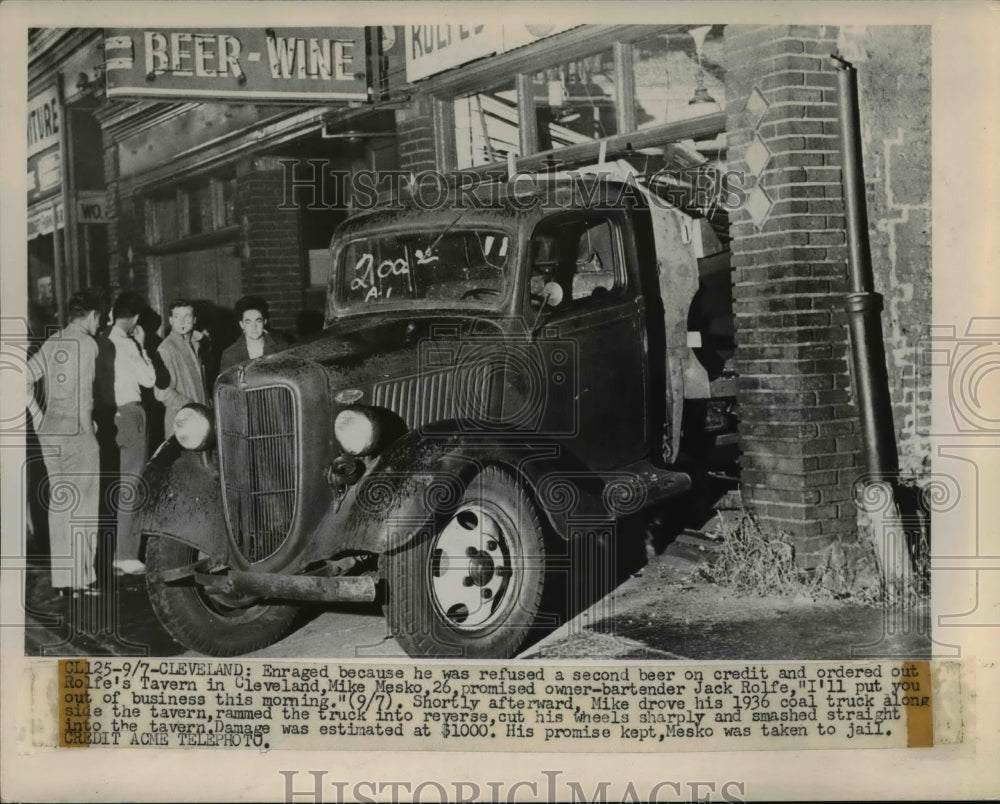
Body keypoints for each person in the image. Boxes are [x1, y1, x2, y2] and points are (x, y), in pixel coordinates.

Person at [25, 290, 103, 598]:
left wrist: (38, 417)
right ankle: (83, 580)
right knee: (84, 508)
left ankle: (63, 582)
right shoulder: (87, 344)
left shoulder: (53, 341)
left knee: (60, 506)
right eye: (101, 317)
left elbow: (24, 378)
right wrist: (88, 429)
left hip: (50, 431)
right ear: (93, 315)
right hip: (76, 433)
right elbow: (85, 395)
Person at [104, 291, 156, 575]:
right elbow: (149, 379)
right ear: (135, 318)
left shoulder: (103, 342)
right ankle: (126, 555)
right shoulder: (127, 344)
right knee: (133, 486)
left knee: (119, 484)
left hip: (111, 415)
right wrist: (143, 345)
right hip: (132, 413)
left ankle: (117, 552)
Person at [154, 299, 207, 440]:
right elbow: (162, 393)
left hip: (199, 421)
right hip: (181, 423)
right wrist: (190, 406)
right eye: (177, 317)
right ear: (170, 320)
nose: (182, 321)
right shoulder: (166, 349)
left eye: (187, 316)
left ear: (194, 319)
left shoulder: (194, 345)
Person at [220, 296, 288, 372]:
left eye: (258, 321)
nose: (254, 326)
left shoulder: (282, 348)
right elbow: (225, 383)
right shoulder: (230, 355)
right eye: (248, 322)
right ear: (242, 324)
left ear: (264, 322)